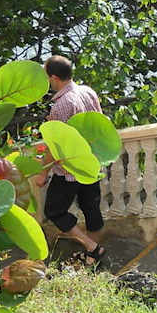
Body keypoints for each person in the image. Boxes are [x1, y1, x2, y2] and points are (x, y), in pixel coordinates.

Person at [39, 55, 106, 265]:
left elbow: (54, 145)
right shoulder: (88, 92)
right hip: (91, 163)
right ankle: (93, 255)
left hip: (69, 170)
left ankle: (91, 247)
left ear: (54, 78)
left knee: (54, 210)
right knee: (91, 207)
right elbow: (99, 122)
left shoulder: (60, 106)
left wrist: (43, 172)